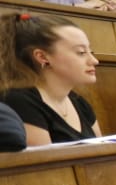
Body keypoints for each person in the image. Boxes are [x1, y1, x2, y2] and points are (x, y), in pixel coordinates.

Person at [0, 11, 102, 146]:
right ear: (42, 57)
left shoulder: (78, 102)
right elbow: (45, 165)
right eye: (81, 52)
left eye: (91, 51)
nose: (94, 61)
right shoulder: (17, 102)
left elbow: (102, 155)